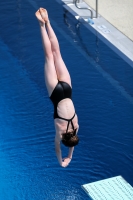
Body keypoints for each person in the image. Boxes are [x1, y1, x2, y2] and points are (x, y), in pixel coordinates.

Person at [35, 8, 79, 167]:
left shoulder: (75, 126)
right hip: (55, 92)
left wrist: (71, 156)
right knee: (48, 56)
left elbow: (73, 142)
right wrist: (63, 161)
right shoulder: (60, 132)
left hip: (67, 88)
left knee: (57, 53)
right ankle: (41, 25)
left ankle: (48, 22)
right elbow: (57, 148)